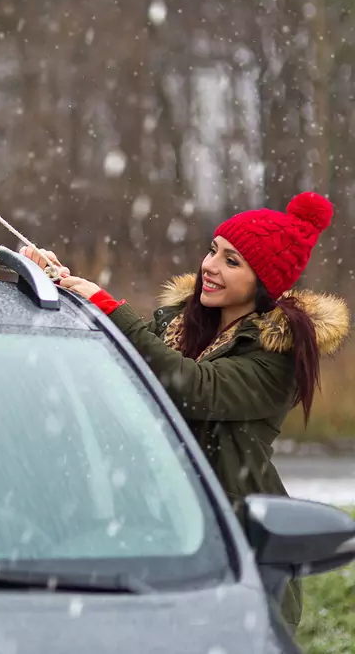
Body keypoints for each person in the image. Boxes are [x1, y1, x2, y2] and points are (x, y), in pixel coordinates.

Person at [22, 191, 350, 636]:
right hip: (148, 532)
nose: (210, 266)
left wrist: (109, 307)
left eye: (232, 261)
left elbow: (192, 388)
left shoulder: (275, 358)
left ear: (264, 283)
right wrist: (60, 284)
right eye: (213, 250)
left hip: (232, 550)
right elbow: (120, 367)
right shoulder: (179, 328)